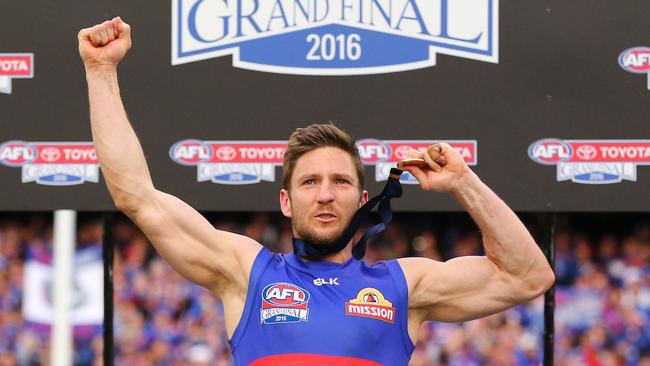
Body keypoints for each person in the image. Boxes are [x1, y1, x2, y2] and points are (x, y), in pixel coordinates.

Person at [78, 17, 555, 365]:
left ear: (363, 201)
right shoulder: (245, 273)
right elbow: (136, 195)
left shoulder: (404, 286)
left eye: (341, 181)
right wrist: (101, 72)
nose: (325, 194)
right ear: (286, 201)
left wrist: (463, 183)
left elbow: (528, 277)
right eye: (309, 182)